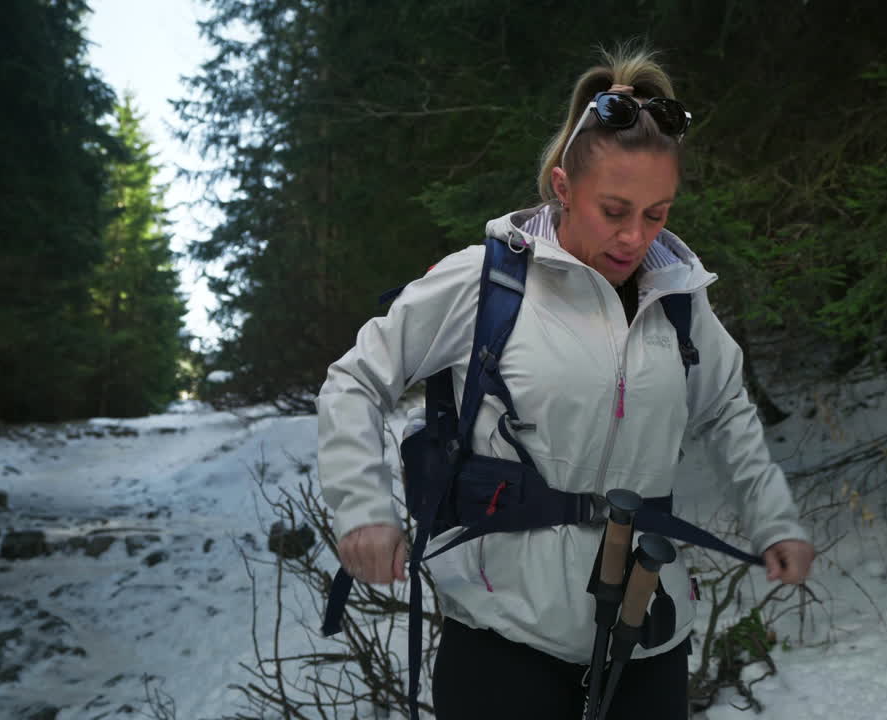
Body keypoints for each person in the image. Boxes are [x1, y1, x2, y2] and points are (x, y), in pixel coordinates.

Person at [317, 46, 814, 720]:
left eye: (657, 213)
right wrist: (363, 510)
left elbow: (726, 409)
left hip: (647, 633)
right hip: (504, 641)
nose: (634, 236)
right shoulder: (485, 283)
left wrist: (772, 521)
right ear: (562, 187)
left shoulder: (679, 300)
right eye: (613, 210)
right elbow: (356, 378)